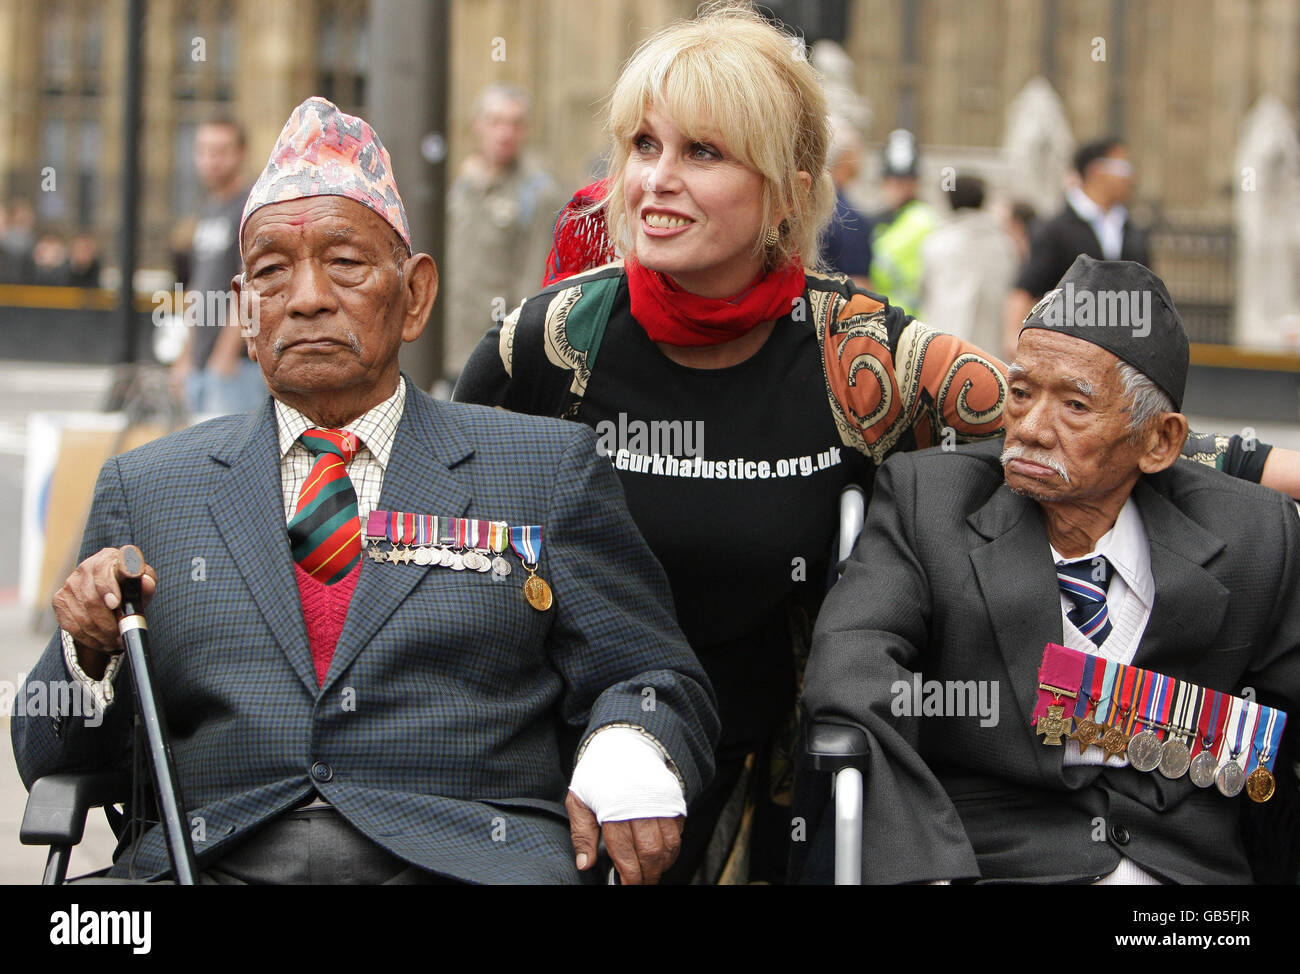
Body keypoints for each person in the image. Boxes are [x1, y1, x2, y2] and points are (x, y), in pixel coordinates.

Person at [12, 97, 718, 886]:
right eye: (273, 272)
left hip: (461, 867)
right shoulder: (149, 488)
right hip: (206, 863)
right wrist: (86, 651)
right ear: (244, 312)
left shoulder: (542, 469)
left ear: (415, 295)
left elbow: (654, 676)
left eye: (345, 263)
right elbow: (47, 758)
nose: (307, 296)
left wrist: (630, 745)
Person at [455, 3, 1012, 884]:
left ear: (788, 188)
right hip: (570, 770)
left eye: (702, 153)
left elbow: (1064, 421)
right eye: (644, 146)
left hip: (778, 781)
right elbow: (450, 532)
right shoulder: (550, 342)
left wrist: (1254, 464)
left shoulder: (855, 350)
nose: (656, 180)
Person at [800, 255, 1300, 884]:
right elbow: (850, 666)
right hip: (996, 862)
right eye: (1020, 393)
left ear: (1160, 442)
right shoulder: (932, 503)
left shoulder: (1254, 535)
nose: (1030, 429)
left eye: (1074, 406)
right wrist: (926, 870)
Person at [442, 84, 564, 384]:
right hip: (445, 345)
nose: (505, 133)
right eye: (496, 122)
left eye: (515, 124)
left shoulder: (538, 194)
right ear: (477, 125)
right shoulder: (458, 184)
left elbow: (534, 284)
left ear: (526, 130)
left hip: (494, 354)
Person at [1002, 137, 1149, 359]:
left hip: (1122, 355)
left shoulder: (1132, 230)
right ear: (1095, 170)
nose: (1130, 177)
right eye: (1123, 168)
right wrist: (1014, 337)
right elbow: (1026, 287)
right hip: (1066, 352)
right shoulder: (1055, 229)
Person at [169, 115, 265, 416]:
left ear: (241, 154)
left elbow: (251, 286)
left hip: (235, 369)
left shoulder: (248, 207)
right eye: (204, 151)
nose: (211, 160)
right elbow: (201, 290)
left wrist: (224, 357)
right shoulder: (209, 210)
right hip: (202, 366)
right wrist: (186, 356)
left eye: (221, 151)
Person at [919, 175, 1019, 353]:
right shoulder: (1003, 245)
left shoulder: (936, 243)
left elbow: (924, 291)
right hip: (990, 348)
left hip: (942, 344)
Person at [867, 129, 938, 318]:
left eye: (902, 182)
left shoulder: (924, 220)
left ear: (915, 183)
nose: (894, 188)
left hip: (913, 323)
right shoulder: (878, 221)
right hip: (882, 320)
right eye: (890, 181)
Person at [820, 116, 873, 289]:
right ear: (846, 157)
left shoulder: (806, 207)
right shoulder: (849, 219)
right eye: (858, 150)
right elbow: (859, 288)